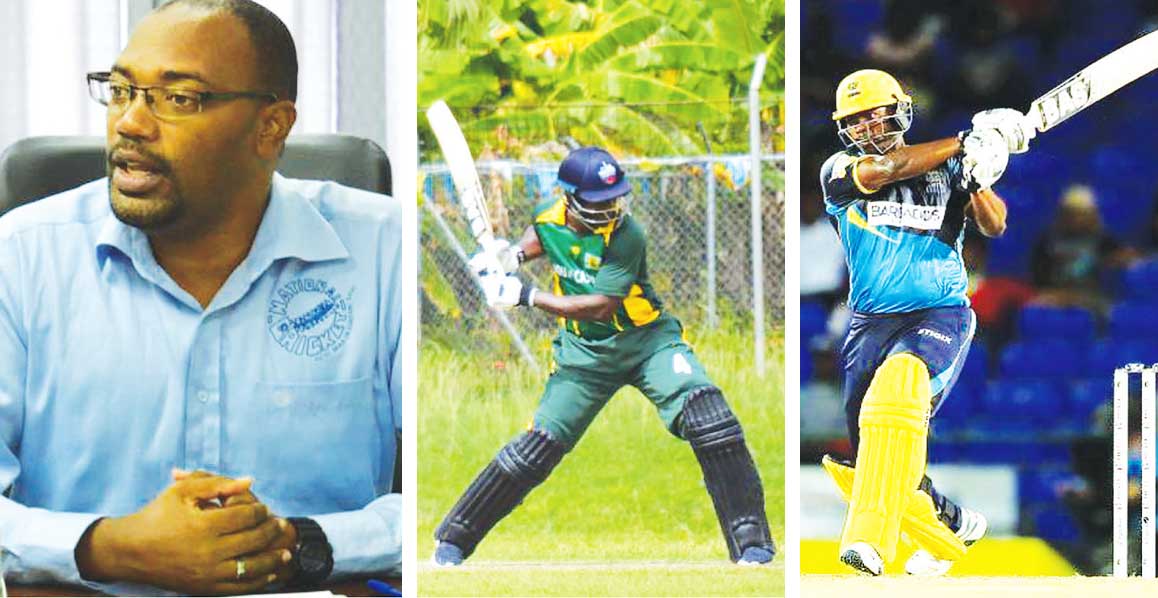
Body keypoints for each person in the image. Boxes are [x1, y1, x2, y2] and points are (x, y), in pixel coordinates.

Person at [0, 1, 400, 594]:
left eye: (178, 98)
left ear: (271, 127)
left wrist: (301, 545)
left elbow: (436, 497)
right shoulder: (19, 256)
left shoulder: (382, 248)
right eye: (119, 90)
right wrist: (106, 547)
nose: (130, 123)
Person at [431, 146, 775, 566]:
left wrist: (527, 295)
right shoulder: (548, 214)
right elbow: (544, 234)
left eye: (613, 198)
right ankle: (453, 542)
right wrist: (513, 255)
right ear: (569, 198)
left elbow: (602, 305)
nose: (609, 208)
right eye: (596, 202)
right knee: (535, 449)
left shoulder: (627, 234)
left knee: (710, 417)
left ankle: (751, 544)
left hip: (647, 343)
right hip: (583, 358)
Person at [817, 68, 1025, 576]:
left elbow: (995, 225)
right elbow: (889, 169)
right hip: (871, 323)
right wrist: (963, 142)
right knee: (867, 462)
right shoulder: (840, 170)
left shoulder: (950, 171)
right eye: (856, 120)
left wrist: (975, 177)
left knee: (897, 390)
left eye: (875, 114)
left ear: (900, 110)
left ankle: (868, 541)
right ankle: (953, 528)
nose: (867, 127)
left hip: (939, 311)